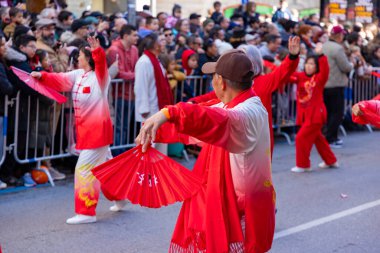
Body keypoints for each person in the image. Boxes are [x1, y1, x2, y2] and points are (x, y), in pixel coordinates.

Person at [137, 49, 275, 252]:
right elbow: (204, 117)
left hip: (244, 208)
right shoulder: (238, 105)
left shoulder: (246, 112)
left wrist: (170, 112)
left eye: (213, 77)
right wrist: (157, 129)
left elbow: (211, 119)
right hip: (240, 201)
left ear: (222, 82)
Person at [30, 37, 113, 224]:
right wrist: (41, 76)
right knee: (106, 171)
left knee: (83, 169)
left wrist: (98, 51)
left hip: (98, 133)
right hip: (87, 132)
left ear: (89, 58)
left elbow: (101, 65)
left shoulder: (101, 78)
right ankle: (121, 197)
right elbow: (59, 79)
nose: (77, 58)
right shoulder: (78, 74)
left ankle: (86, 213)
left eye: (81, 56)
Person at [289, 44, 338, 172]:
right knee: (319, 139)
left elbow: (325, 70)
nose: (309, 66)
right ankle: (331, 160)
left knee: (300, 138)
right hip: (305, 115)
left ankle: (303, 165)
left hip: (315, 115)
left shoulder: (319, 78)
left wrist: (321, 55)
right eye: (307, 63)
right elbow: (285, 74)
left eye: (312, 64)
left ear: (316, 67)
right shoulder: (300, 76)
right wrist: (266, 64)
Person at [134, 33, 173, 154]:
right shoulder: (144, 62)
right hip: (150, 111)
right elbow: (140, 87)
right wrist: (144, 110)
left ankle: (156, 172)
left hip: (159, 109)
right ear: (154, 45)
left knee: (160, 145)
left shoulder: (156, 60)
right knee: (147, 146)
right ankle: (144, 172)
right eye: (161, 40)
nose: (164, 42)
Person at [107, 24, 139, 155]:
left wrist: (133, 75)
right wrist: (136, 76)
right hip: (118, 93)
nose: (137, 37)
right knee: (119, 125)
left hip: (131, 92)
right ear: (126, 36)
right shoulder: (114, 49)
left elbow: (134, 69)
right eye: (134, 35)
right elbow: (118, 73)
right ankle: (117, 152)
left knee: (126, 124)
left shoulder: (135, 49)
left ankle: (123, 150)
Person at [322, 26, 354, 148]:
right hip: (335, 84)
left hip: (324, 84)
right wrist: (352, 64)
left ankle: (328, 136)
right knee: (336, 112)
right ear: (339, 35)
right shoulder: (337, 48)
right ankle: (331, 138)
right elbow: (345, 67)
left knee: (328, 112)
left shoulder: (324, 46)